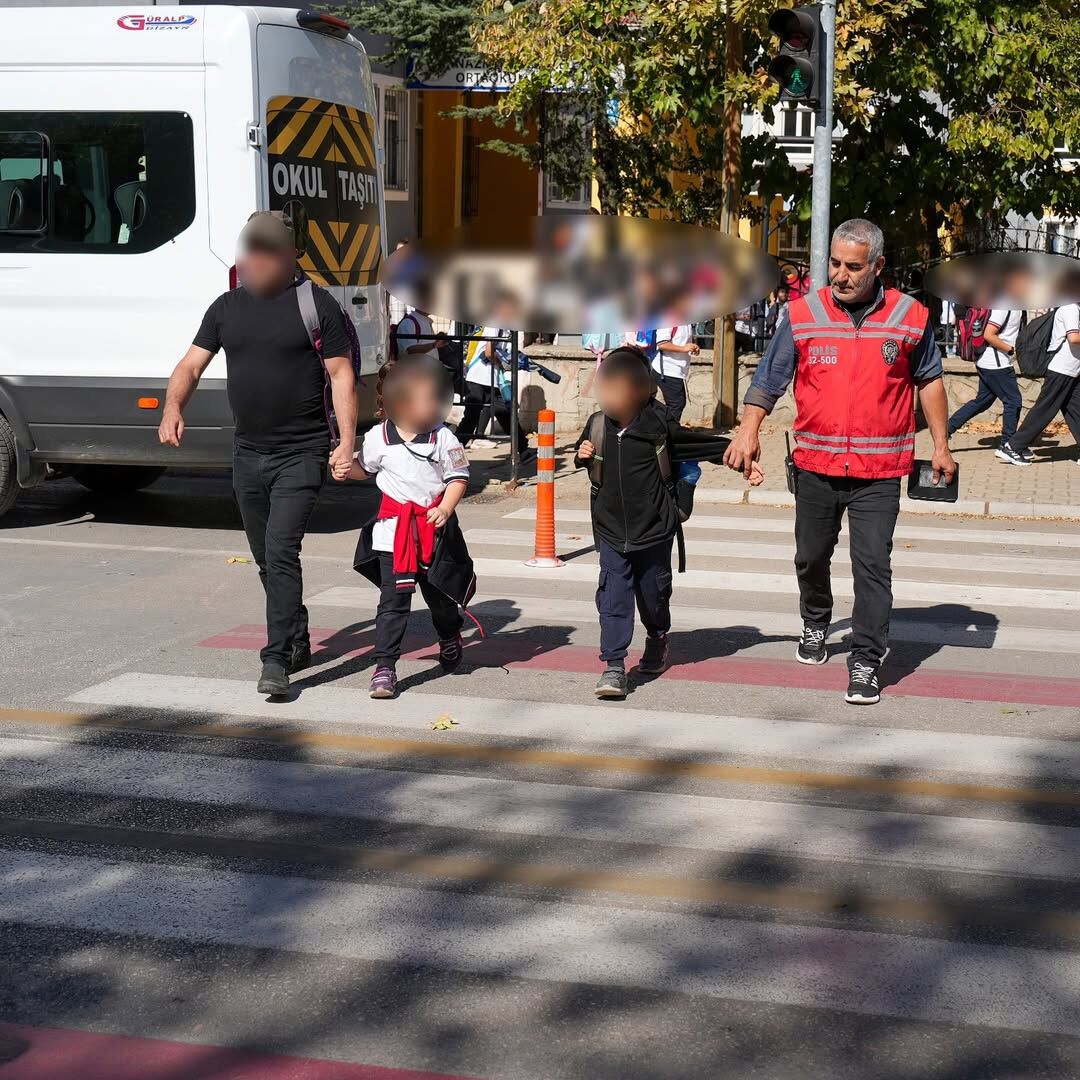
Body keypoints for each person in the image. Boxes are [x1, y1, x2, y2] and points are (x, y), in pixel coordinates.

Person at [723, 218, 956, 706]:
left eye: (853, 266)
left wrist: (941, 444)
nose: (840, 275)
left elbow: (930, 379)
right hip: (815, 465)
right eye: (834, 263)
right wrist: (748, 431)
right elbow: (769, 379)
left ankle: (867, 660)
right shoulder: (803, 313)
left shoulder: (910, 317)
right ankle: (815, 619)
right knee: (811, 556)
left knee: (872, 566)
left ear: (878, 267)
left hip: (880, 471)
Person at [159, 210, 356, 697]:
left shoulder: (318, 306)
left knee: (282, 552)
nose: (257, 259)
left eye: (269, 251)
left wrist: (346, 442)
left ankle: (276, 659)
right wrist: (172, 406)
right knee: (266, 561)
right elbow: (190, 363)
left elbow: (341, 376)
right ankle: (297, 632)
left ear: (292, 255)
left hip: (302, 453)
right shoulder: (226, 308)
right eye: (252, 249)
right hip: (248, 454)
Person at [575, 348, 761, 701]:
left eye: (615, 392)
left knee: (653, 595)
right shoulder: (598, 425)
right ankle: (614, 666)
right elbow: (590, 461)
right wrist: (582, 455)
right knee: (613, 597)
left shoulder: (659, 427)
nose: (607, 399)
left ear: (640, 393)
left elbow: (700, 447)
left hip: (655, 530)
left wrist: (744, 463)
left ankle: (658, 637)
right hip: (612, 531)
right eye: (604, 390)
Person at [348, 357, 474, 700]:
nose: (434, 406)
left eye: (436, 399)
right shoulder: (378, 438)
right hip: (394, 535)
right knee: (393, 602)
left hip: (433, 533)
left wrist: (446, 508)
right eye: (426, 399)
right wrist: (344, 468)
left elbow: (458, 477)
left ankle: (449, 635)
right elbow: (364, 468)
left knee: (440, 599)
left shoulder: (443, 438)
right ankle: (385, 667)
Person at [999, 303, 1080, 466]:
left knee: (1076, 411)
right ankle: (1013, 447)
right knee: (1044, 410)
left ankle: (1014, 446)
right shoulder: (1070, 308)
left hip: (1072, 371)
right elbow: (1074, 338)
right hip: (1062, 370)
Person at [455, 295, 530, 457]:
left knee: (504, 414)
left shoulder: (504, 325)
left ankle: (523, 450)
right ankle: (449, 454)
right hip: (480, 377)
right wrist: (500, 362)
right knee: (471, 419)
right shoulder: (495, 323)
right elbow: (489, 352)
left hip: (491, 379)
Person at [946, 308, 1025, 456]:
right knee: (1013, 401)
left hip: (988, 361)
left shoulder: (1013, 306)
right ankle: (1007, 445)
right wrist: (1010, 350)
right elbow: (989, 334)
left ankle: (947, 428)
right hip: (996, 363)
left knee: (983, 401)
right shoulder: (1004, 306)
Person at [651, 325, 700, 422]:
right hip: (666, 369)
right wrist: (684, 348)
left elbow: (682, 342)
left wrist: (693, 347)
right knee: (676, 404)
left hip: (676, 370)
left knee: (677, 403)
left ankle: (666, 430)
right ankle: (668, 432)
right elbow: (662, 344)